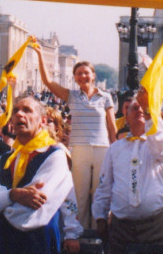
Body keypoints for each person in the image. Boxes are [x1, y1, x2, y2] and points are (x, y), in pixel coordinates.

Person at [0, 95, 74, 254]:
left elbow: (32, 212)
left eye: (27, 110)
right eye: (15, 111)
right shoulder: (4, 159)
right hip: (1, 246)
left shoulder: (54, 156)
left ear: (42, 121)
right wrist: (12, 195)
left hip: (37, 244)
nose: (20, 114)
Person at [92, 95, 163, 254]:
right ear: (126, 118)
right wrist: (100, 217)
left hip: (155, 229)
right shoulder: (115, 149)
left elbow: (161, 147)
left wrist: (150, 114)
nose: (140, 110)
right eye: (134, 108)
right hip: (121, 230)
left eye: (144, 108)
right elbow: (105, 186)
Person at [36, 49, 115, 229]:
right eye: (78, 73)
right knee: (80, 194)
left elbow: (112, 126)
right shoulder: (71, 96)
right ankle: (80, 232)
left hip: (102, 149)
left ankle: (98, 231)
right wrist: (40, 54)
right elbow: (48, 82)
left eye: (86, 73)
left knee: (100, 193)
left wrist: (115, 148)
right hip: (79, 149)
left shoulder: (106, 97)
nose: (82, 76)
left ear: (93, 75)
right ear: (75, 77)